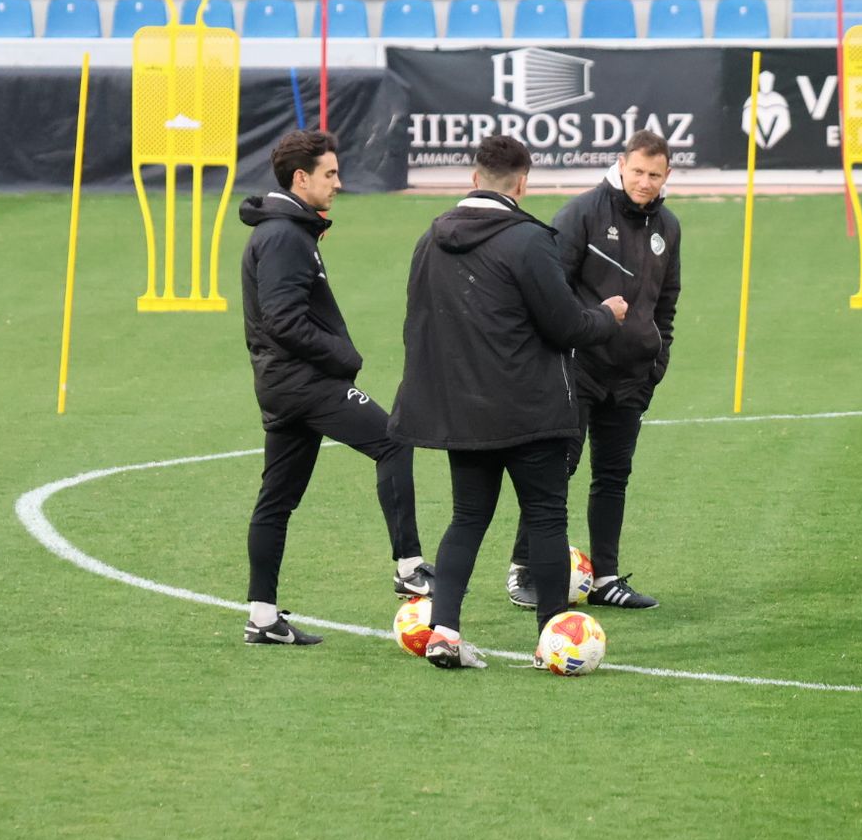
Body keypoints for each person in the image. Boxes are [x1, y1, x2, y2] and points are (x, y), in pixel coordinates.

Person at [389, 134, 628, 670]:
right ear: (523, 182)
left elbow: (419, 326)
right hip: (529, 408)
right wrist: (606, 317)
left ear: (474, 179)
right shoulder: (527, 241)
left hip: (462, 410)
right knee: (545, 517)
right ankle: (551, 640)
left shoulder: (430, 240)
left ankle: (444, 631)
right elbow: (565, 323)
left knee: (467, 517)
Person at [238, 129, 433, 647]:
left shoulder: (287, 231)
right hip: (304, 384)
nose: (339, 183)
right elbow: (283, 320)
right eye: (330, 174)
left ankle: (261, 618)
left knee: (276, 501)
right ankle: (410, 567)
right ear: (301, 178)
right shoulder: (282, 237)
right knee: (394, 439)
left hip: (282, 386)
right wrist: (343, 356)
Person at [504, 130, 680, 612]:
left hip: (631, 378)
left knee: (613, 476)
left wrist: (655, 362)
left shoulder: (669, 226)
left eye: (655, 175)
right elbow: (547, 288)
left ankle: (604, 577)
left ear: (668, 176)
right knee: (556, 471)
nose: (645, 182)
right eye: (638, 171)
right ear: (620, 165)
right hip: (577, 369)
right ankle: (524, 570)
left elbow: (666, 302)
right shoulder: (582, 212)